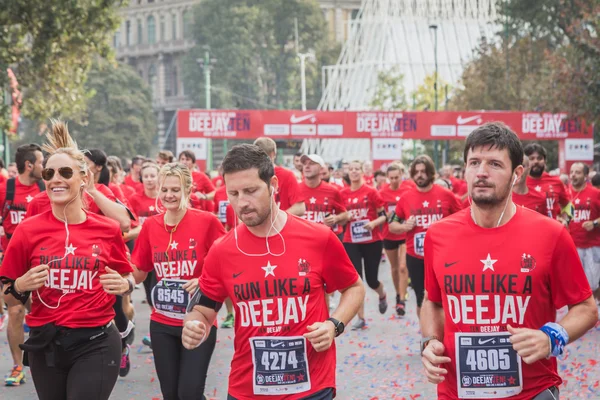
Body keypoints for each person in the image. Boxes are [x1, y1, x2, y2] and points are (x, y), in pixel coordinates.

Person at [420, 122, 598, 400]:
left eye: (494, 164)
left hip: (532, 391)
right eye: (474, 162)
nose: (481, 172)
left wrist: (553, 337)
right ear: (464, 169)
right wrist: (430, 342)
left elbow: (586, 308)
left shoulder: (551, 234)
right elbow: (433, 301)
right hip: (457, 392)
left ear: (516, 174)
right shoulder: (438, 234)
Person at [182, 144, 364, 400]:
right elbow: (202, 309)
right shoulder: (221, 250)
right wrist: (194, 325)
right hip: (248, 388)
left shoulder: (318, 237)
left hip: (311, 385)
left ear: (273, 184)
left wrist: (333, 325)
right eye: (233, 193)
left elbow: (354, 287)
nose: (242, 202)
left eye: (251, 190)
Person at [0, 120, 134, 400]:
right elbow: (8, 295)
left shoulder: (107, 229)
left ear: (84, 179)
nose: (55, 178)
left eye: (64, 172)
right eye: (49, 172)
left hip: (96, 343)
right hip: (45, 344)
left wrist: (125, 286)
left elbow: (127, 276)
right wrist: (21, 285)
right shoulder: (28, 229)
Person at [132, 162, 224, 400]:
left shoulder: (207, 222)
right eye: (164, 190)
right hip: (161, 322)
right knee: (171, 395)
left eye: (175, 189)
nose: (169, 195)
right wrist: (118, 277)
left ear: (188, 189)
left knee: (189, 394)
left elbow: (227, 263)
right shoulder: (151, 225)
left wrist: (203, 279)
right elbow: (139, 270)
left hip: (199, 319)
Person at [389, 155, 461, 319]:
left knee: (444, 297)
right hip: (416, 256)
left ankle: (444, 333)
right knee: (422, 299)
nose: (420, 175)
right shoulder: (406, 198)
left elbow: (463, 220)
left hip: (443, 256)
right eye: (416, 172)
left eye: (423, 171)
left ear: (431, 173)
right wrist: (404, 226)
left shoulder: (446, 195)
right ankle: (426, 337)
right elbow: (392, 225)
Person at [0, 143, 45, 386]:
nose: (43, 166)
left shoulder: (45, 189)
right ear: (29, 165)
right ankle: (18, 366)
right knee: (15, 311)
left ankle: (46, 357)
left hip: (40, 264)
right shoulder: (5, 189)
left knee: (42, 310)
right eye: (40, 162)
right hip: (12, 264)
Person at [340, 160, 388, 330]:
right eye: (350, 169)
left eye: (356, 169)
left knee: (371, 279)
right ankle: (361, 318)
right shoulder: (342, 193)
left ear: (362, 172)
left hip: (372, 240)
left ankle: (382, 294)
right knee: (356, 280)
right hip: (351, 240)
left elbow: (384, 216)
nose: (353, 171)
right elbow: (340, 216)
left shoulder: (371, 192)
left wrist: (374, 224)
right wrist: (345, 217)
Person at [379, 163, 413, 316]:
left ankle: (402, 300)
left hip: (405, 233)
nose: (394, 180)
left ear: (401, 175)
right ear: (387, 178)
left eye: (396, 177)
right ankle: (398, 293)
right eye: (391, 178)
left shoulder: (408, 189)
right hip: (389, 233)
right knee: (394, 268)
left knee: (402, 267)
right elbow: (379, 212)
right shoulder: (382, 192)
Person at [568, 162, 600, 304]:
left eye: (578, 172)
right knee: (574, 284)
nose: (573, 175)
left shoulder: (595, 193)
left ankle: (595, 310)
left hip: (592, 246)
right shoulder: (565, 193)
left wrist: (594, 223)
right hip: (571, 246)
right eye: (572, 172)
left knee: (593, 283)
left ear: (586, 176)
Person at [298, 154, 349, 241]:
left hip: (325, 239)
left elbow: (345, 215)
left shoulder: (332, 191)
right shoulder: (295, 188)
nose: (307, 166)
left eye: (312, 163)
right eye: (305, 164)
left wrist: (335, 218)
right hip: (303, 239)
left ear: (321, 169)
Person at [253, 138, 306, 217]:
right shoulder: (250, 175)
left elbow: (300, 208)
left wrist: (276, 218)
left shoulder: (286, 175)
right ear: (274, 153)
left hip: (280, 226)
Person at [524, 143, 571, 221]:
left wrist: (566, 220)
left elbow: (568, 205)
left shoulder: (556, 181)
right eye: (531, 158)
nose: (536, 161)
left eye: (539, 158)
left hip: (552, 231)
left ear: (545, 161)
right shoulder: (518, 183)